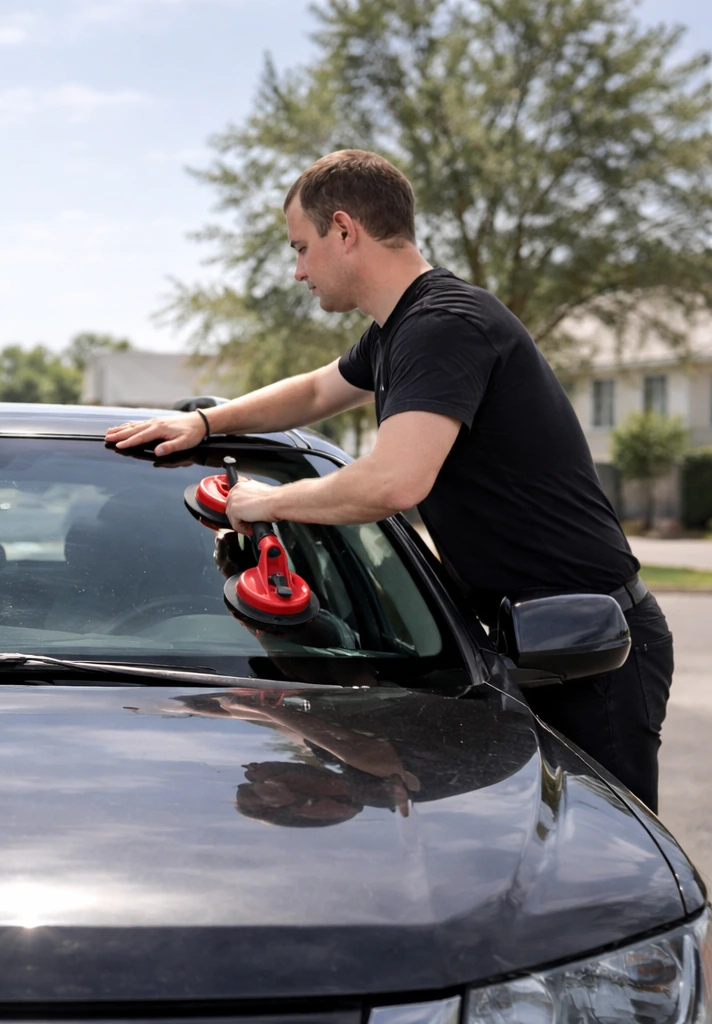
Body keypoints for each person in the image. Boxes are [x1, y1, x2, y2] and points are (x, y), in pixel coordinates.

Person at [106, 150, 673, 811]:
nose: (298, 272)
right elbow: (319, 388)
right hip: (522, 643)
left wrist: (265, 502)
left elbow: (393, 483)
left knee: (602, 876)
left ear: (344, 230)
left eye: (302, 248)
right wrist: (205, 425)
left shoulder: (443, 325)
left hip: (591, 646)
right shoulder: (400, 330)